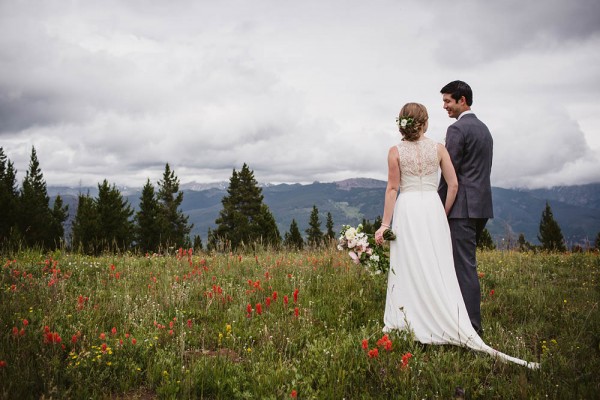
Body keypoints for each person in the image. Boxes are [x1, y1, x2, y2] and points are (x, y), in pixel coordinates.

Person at [374, 102, 538, 369]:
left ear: (401, 123)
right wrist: (443, 211)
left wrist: (384, 224)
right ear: (424, 122)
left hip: (407, 210)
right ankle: (443, 315)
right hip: (433, 209)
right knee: (438, 264)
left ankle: (410, 319)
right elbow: (453, 184)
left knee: (408, 264)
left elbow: (392, 189)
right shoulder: (438, 148)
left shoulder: (395, 152)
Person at [437, 80, 493, 336]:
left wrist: (437, 207)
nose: (444, 106)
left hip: (461, 210)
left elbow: (451, 175)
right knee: (465, 264)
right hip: (480, 208)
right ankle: (459, 319)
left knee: (463, 267)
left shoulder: (457, 130)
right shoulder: (484, 130)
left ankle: (472, 329)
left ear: (462, 100)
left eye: (448, 101)